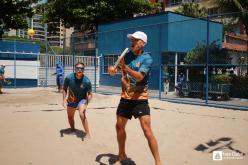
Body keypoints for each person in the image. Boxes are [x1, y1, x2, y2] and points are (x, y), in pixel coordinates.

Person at [110, 31, 161, 164]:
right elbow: (115, 70)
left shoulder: (147, 58)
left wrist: (125, 68)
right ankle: (121, 155)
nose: (132, 41)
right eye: (131, 39)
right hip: (126, 97)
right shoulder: (126, 56)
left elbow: (139, 76)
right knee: (119, 126)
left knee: (146, 130)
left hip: (140, 99)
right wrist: (112, 70)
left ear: (142, 43)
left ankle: (158, 162)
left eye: (135, 39)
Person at [62, 62, 93, 138]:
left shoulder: (87, 81)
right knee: (70, 116)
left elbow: (90, 94)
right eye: (78, 68)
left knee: (82, 114)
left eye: (81, 68)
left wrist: (86, 103)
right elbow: (64, 89)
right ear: (75, 69)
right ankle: (72, 130)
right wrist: (64, 100)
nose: (79, 69)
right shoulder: (69, 78)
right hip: (71, 100)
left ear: (83, 70)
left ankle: (88, 134)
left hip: (82, 100)